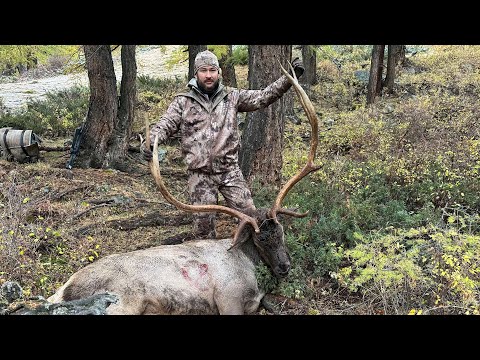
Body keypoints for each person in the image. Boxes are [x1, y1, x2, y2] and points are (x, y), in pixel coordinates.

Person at [141, 49, 304, 239]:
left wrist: (288, 79)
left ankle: (251, 264)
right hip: (199, 176)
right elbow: (165, 125)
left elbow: (263, 97)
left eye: (212, 70)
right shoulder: (182, 102)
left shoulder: (232, 97)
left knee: (251, 221)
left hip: (229, 172)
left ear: (219, 72)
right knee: (203, 230)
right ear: (196, 74)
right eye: (203, 71)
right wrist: (150, 143)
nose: (208, 75)